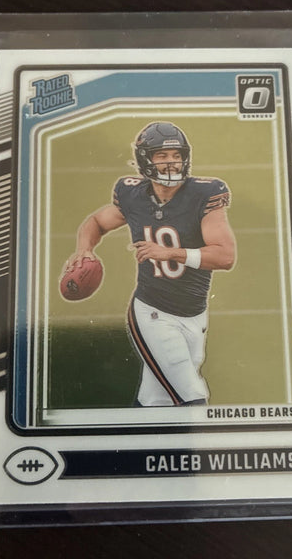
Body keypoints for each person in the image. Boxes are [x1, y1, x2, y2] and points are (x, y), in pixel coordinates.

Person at [63, 122, 236, 406]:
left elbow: (225, 256)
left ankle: (133, 433)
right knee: (191, 395)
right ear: (145, 159)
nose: (171, 162)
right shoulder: (132, 194)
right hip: (153, 312)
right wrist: (85, 248)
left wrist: (171, 253)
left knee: (156, 400)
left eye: (176, 155)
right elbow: (96, 222)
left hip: (194, 314)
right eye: (162, 155)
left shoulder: (204, 194)